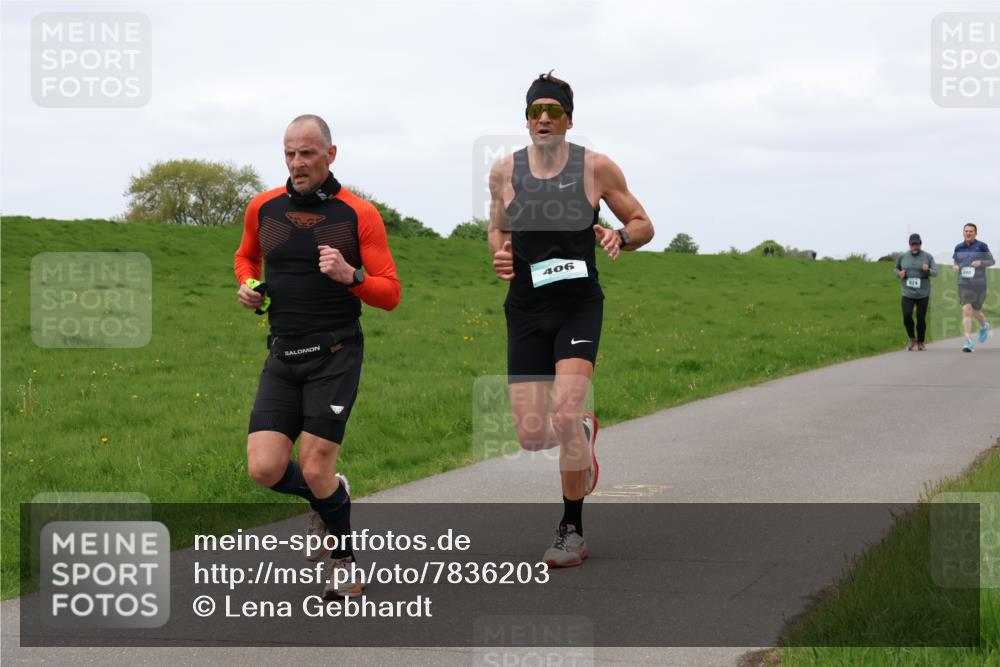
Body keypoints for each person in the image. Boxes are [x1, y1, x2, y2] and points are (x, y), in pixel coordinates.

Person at [488, 72, 654, 567]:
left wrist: (619, 238)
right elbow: (497, 231)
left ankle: (571, 530)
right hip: (524, 309)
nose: (544, 118)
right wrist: (499, 255)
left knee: (561, 414)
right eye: (536, 111)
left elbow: (643, 222)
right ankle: (580, 428)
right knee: (532, 435)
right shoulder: (503, 172)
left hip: (577, 306)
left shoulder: (596, 168)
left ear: (569, 119)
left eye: (554, 111)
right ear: (526, 119)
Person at [234, 114, 400, 598]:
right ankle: (330, 496)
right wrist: (249, 288)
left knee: (313, 464)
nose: (297, 162)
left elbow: (390, 293)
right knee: (264, 469)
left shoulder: (357, 214)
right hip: (283, 354)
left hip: (336, 353)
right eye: (289, 153)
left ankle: (346, 565)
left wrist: (352, 275)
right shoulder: (263, 208)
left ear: (331, 154)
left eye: (307, 153)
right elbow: (246, 259)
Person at [951, 223, 994, 352]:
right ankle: (968, 342)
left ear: (975, 233)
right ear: (963, 232)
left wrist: (981, 263)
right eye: (966, 231)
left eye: (971, 231)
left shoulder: (982, 246)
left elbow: (992, 261)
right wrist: (956, 266)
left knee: (976, 311)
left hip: (980, 283)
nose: (968, 233)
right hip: (964, 283)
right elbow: (956, 261)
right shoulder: (958, 247)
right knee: (966, 309)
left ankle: (984, 325)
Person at [894, 233, 937, 351]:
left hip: (923, 292)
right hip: (907, 292)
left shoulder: (928, 256)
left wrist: (928, 270)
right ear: (909, 245)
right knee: (907, 315)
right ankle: (912, 338)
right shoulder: (903, 256)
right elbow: (896, 268)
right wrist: (899, 274)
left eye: (917, 244)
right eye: (913, 244)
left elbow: (936, 272)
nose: (915, 246)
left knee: (920, 318)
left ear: (920, 243)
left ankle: (921, 342)